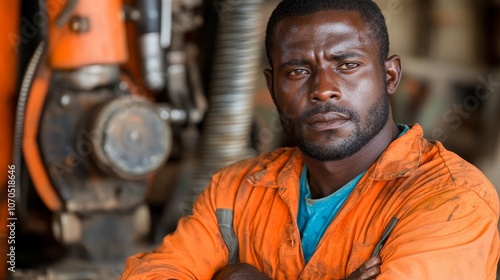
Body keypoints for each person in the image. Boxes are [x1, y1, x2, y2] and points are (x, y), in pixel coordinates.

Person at [121, 0, 500, 279]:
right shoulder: (236, 190)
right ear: (272, 87)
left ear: (389, 76)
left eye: (347, 65)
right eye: (298, 70)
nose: (323, 90)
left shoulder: (450, 199)